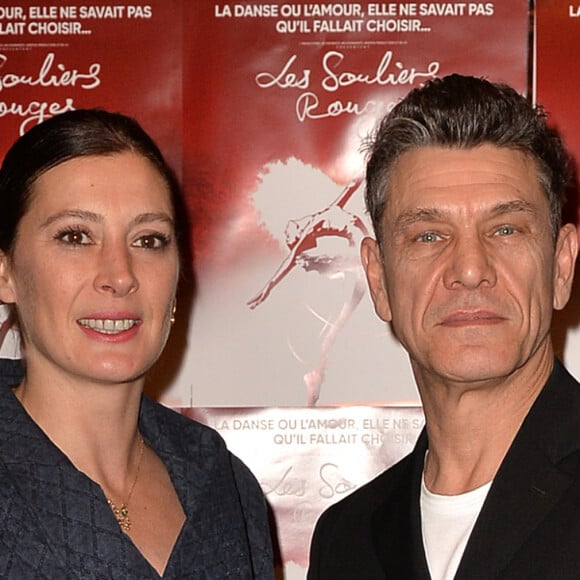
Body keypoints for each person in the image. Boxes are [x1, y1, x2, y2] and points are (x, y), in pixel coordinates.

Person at [308, 74, 580, 579]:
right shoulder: (346, 539)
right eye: (429, 235)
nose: (470, 269)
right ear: (379, 279)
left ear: (561, 265)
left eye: (505, 229)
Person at [0, 109, 274, 578]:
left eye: (148, 240)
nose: (120, 275)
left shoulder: (224, 483)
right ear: (5, 272)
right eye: (76, 236)